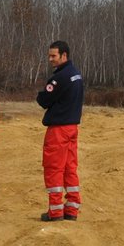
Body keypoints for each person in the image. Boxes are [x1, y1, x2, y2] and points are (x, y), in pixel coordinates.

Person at [36, 39, 85, 221]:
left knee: (54, 168)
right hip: (72, 127)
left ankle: (55, 211)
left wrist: (41, 95)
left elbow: (43, 101)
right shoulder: (76, 74)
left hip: (59, 129)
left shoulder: (60, 77)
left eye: (53, 56)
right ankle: (72, 208)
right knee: (69, 168)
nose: (50, 59)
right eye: (49, 55)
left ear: (64, 55)